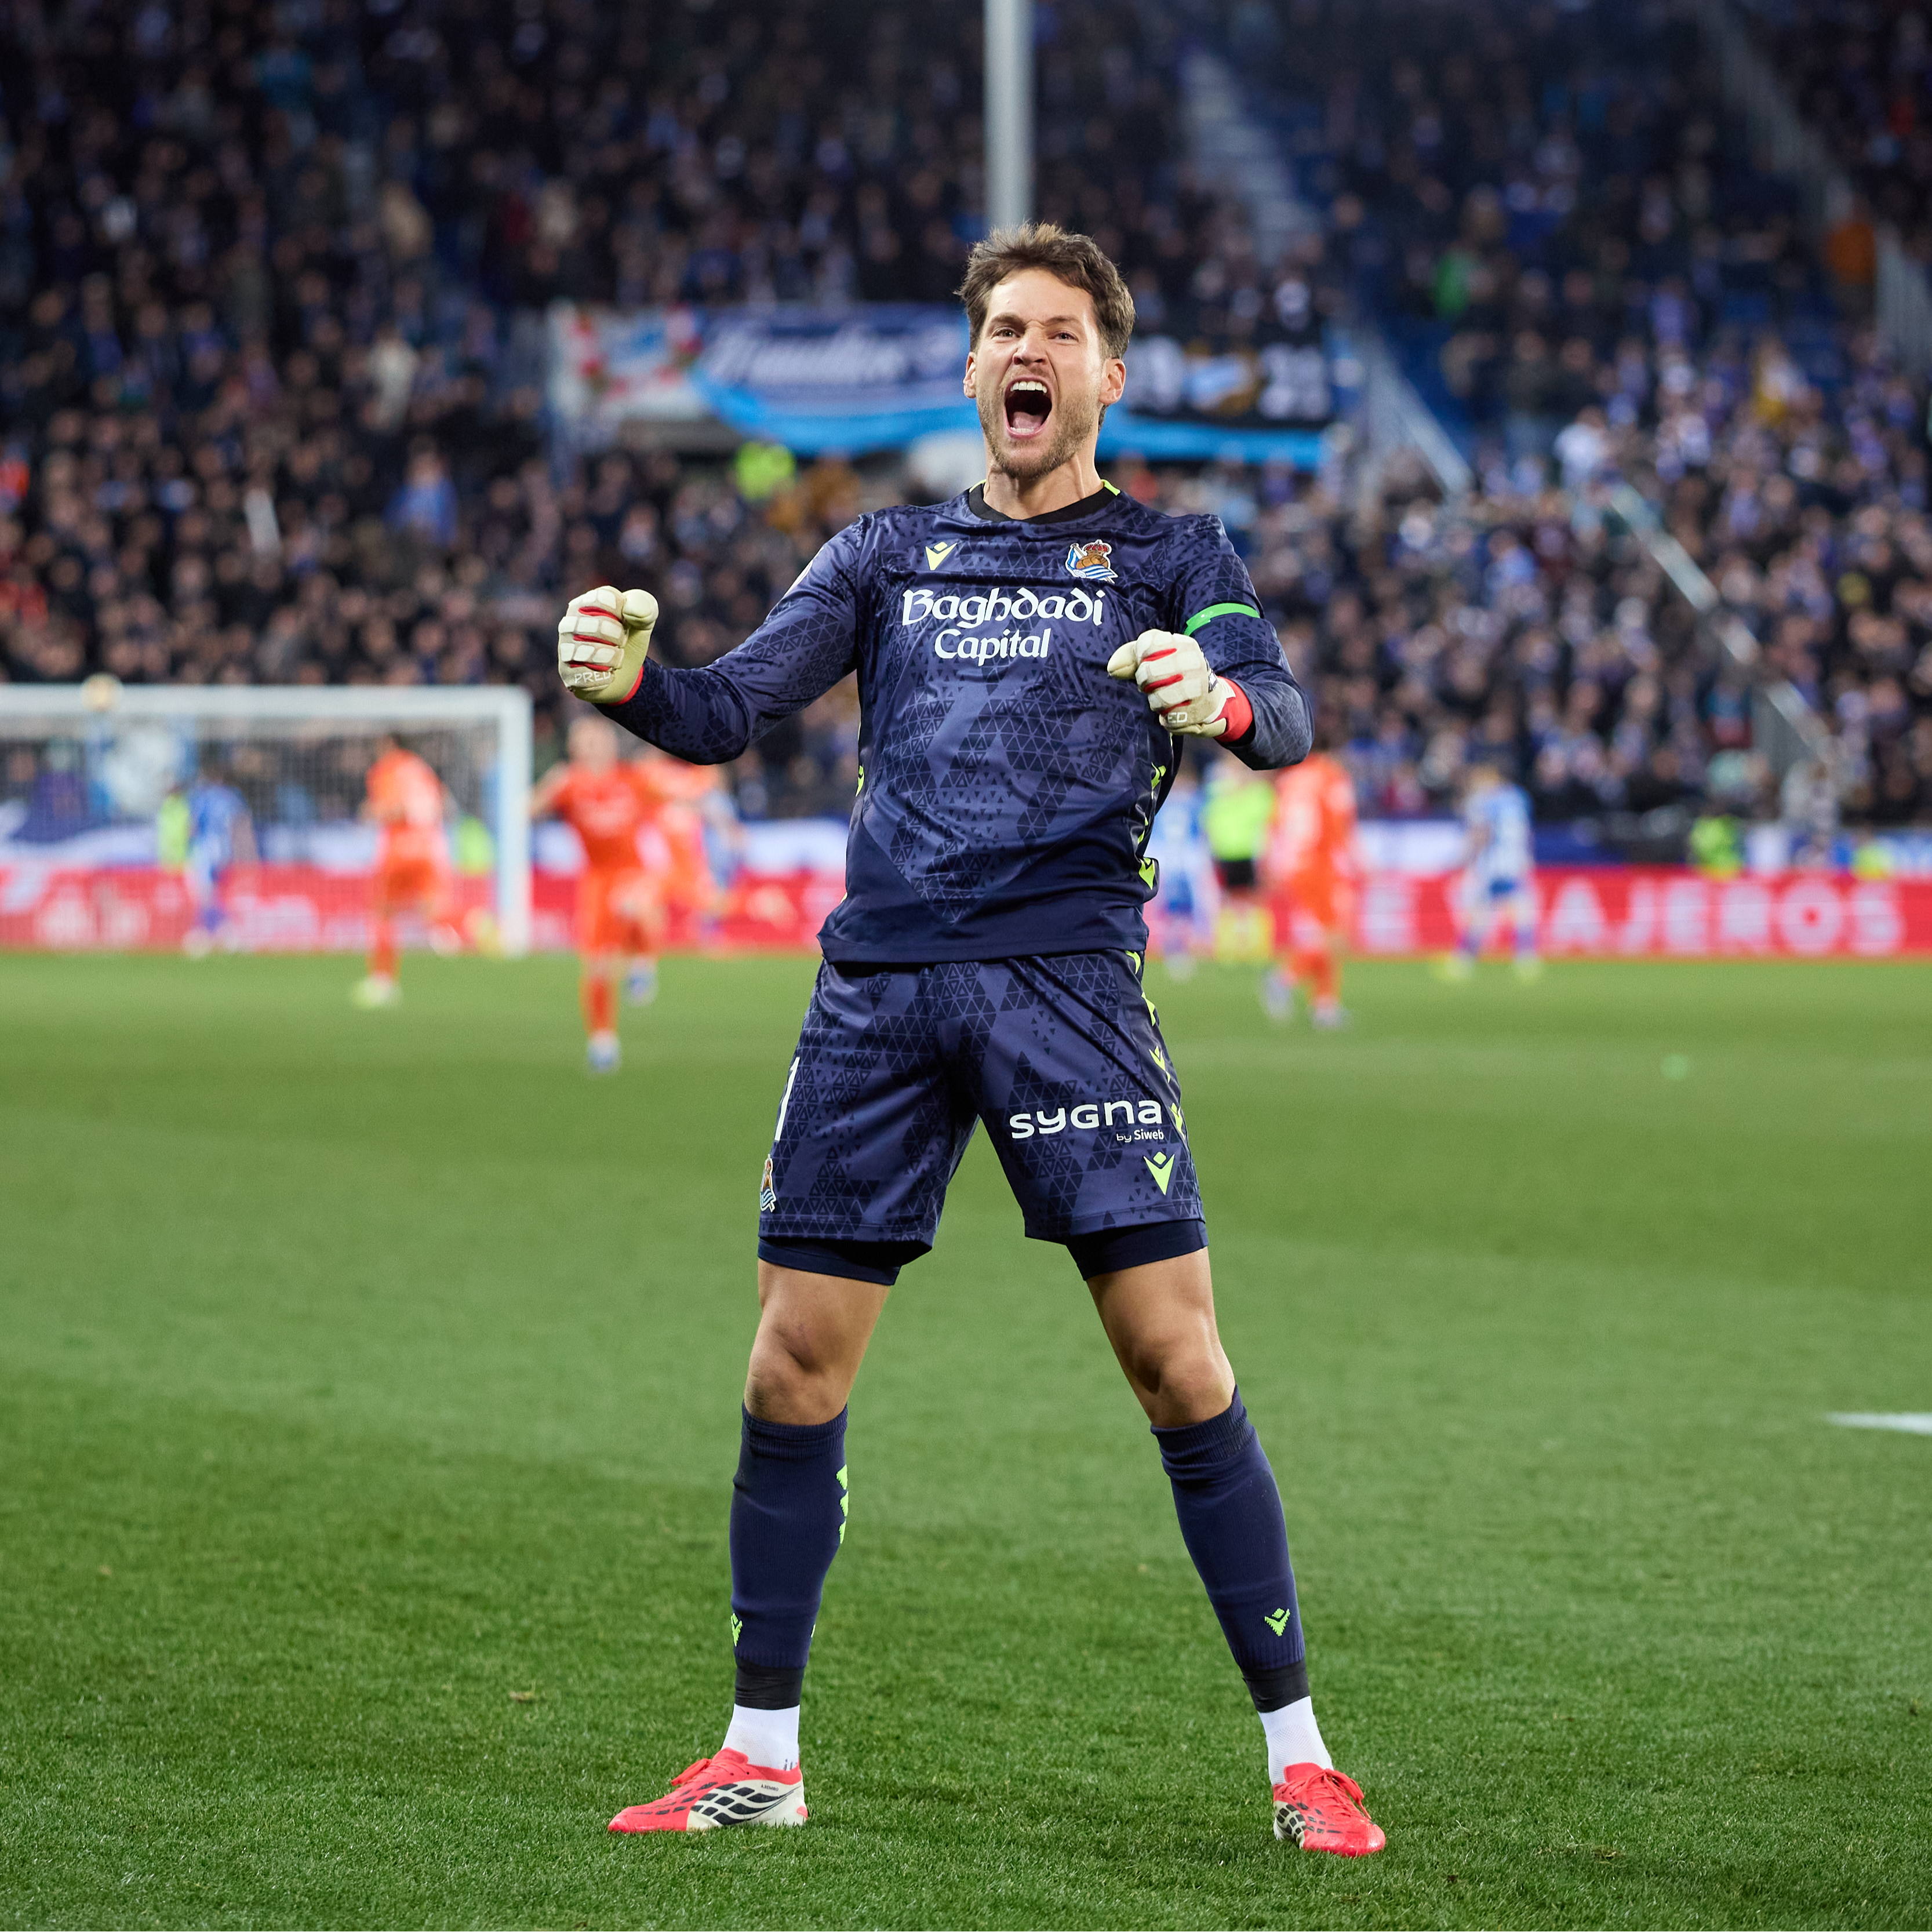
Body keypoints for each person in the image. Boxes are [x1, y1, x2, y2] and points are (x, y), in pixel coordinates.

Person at [557, 224, 1384, 1857]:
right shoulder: (878, 556)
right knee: (791, 1365)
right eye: (1003, 327)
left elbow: (1279, 719)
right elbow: (725, 711)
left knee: (1176, 1360)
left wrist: (1211, 704)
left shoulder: (1174, 555)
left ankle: (1301, 1756)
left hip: (1066, 986)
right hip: (876, 993)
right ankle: (759, 1752)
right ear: (971, 370)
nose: (1027, 351)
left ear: (1104, 376)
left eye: (1059, 332)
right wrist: (636, 685)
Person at [531, 714, 670, 1072]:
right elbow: (525, 812)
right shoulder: (569, 783)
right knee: (596, 965)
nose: (592, 746)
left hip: (635, 871)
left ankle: (643, 962)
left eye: (598, 739)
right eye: (584, 740)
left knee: (633, 904)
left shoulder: (632, 778)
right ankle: (603, 1042)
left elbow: (676, 796)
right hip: (596, 878)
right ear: (574, 747)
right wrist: (545, 788)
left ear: (610, 744)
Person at [1260, 725, 1359, 1027]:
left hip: (1294, 867)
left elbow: (1275, 826)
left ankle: (1324, 1006)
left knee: (1321, 935)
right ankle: (1284, 979)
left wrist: (1272, 863)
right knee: (1334, 936)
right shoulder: (1331, 775)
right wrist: (1354, 859)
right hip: (1321, 865)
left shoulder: (1288, 779)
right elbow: (1341, 821)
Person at [352, 734, 457, 1007]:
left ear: (387, 744)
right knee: (433, 914)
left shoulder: (386, 769)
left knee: (383, 913)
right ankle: (472, 935)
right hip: (431, 847)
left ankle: (383, 981)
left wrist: (370, 811)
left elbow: (392, 808)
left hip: (400, 849)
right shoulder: (421, 767)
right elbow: (444, 805)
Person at [1442, 763, 1540, 979]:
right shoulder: (1519, 798)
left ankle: (1463, 961)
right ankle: (1526, 959)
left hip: (1493, 863)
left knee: (1482, 910)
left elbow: (1480, 833)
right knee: (1518, 907)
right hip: (1516, 860)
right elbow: (1527, 832)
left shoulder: (1483, 800)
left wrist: (1464, 859)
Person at [174, 764, 257, 958]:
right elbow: (242, 826)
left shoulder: (200, 798)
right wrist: (248, 854)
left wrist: (186, 848)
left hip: (205, 851)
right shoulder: (232, 797)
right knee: (211, 894)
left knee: (206, 895)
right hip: (223, 851)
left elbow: (192, 827)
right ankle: (205, 934)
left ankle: (222, 936)